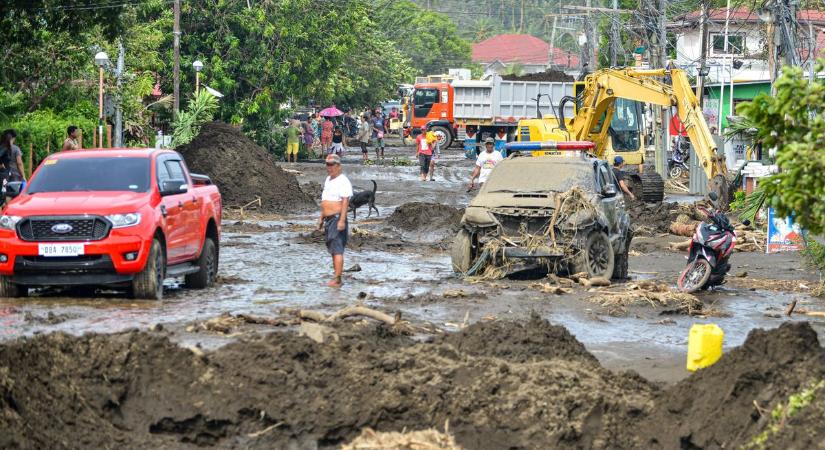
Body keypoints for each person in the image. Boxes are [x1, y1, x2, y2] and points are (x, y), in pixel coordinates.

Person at [317, 154, 352, 287]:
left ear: (338, 166)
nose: (329, 167)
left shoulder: (343, 181)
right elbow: (325, 201)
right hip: (329, 220)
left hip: (337, 219)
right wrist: (321, 218)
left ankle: (337, 279)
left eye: (332, 164)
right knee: (332, 249)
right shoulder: (328, 180)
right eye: (327, 164)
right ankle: (336, 275)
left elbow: (345, 202)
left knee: (337, 249)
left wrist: (342, 220)